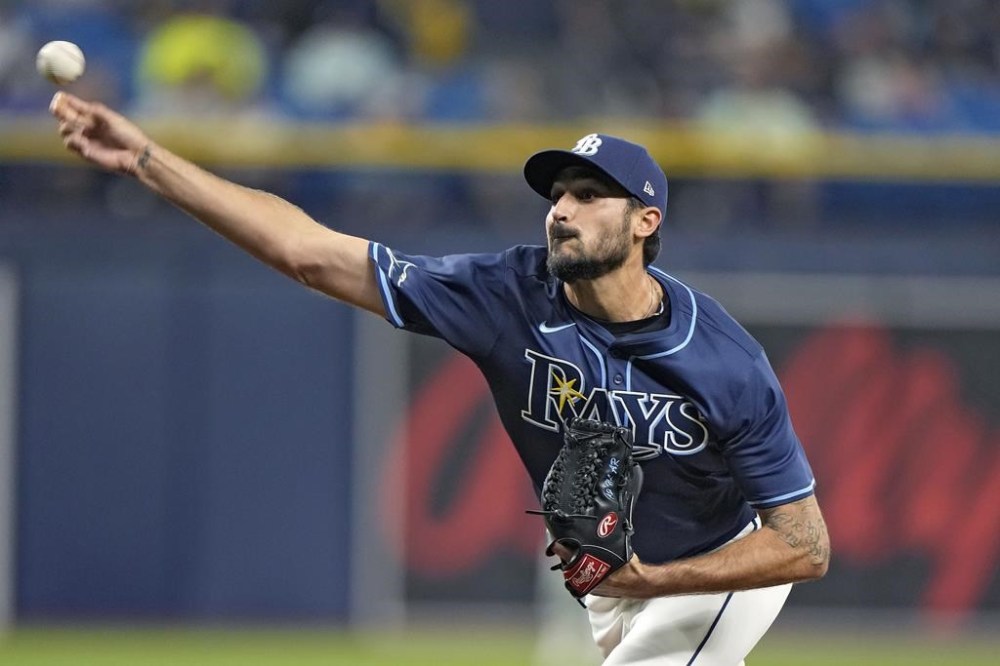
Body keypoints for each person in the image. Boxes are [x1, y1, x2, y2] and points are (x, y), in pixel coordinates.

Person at [49, 91, 830, 666]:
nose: (562, 210)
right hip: (614, 582)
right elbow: (309, 253)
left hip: (716, 572)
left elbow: (804, 544)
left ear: (645, 222)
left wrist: (657, 579)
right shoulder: (504, 294)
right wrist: (150, 162)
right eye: (557, 194)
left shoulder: (722, 358)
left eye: (590, 196)